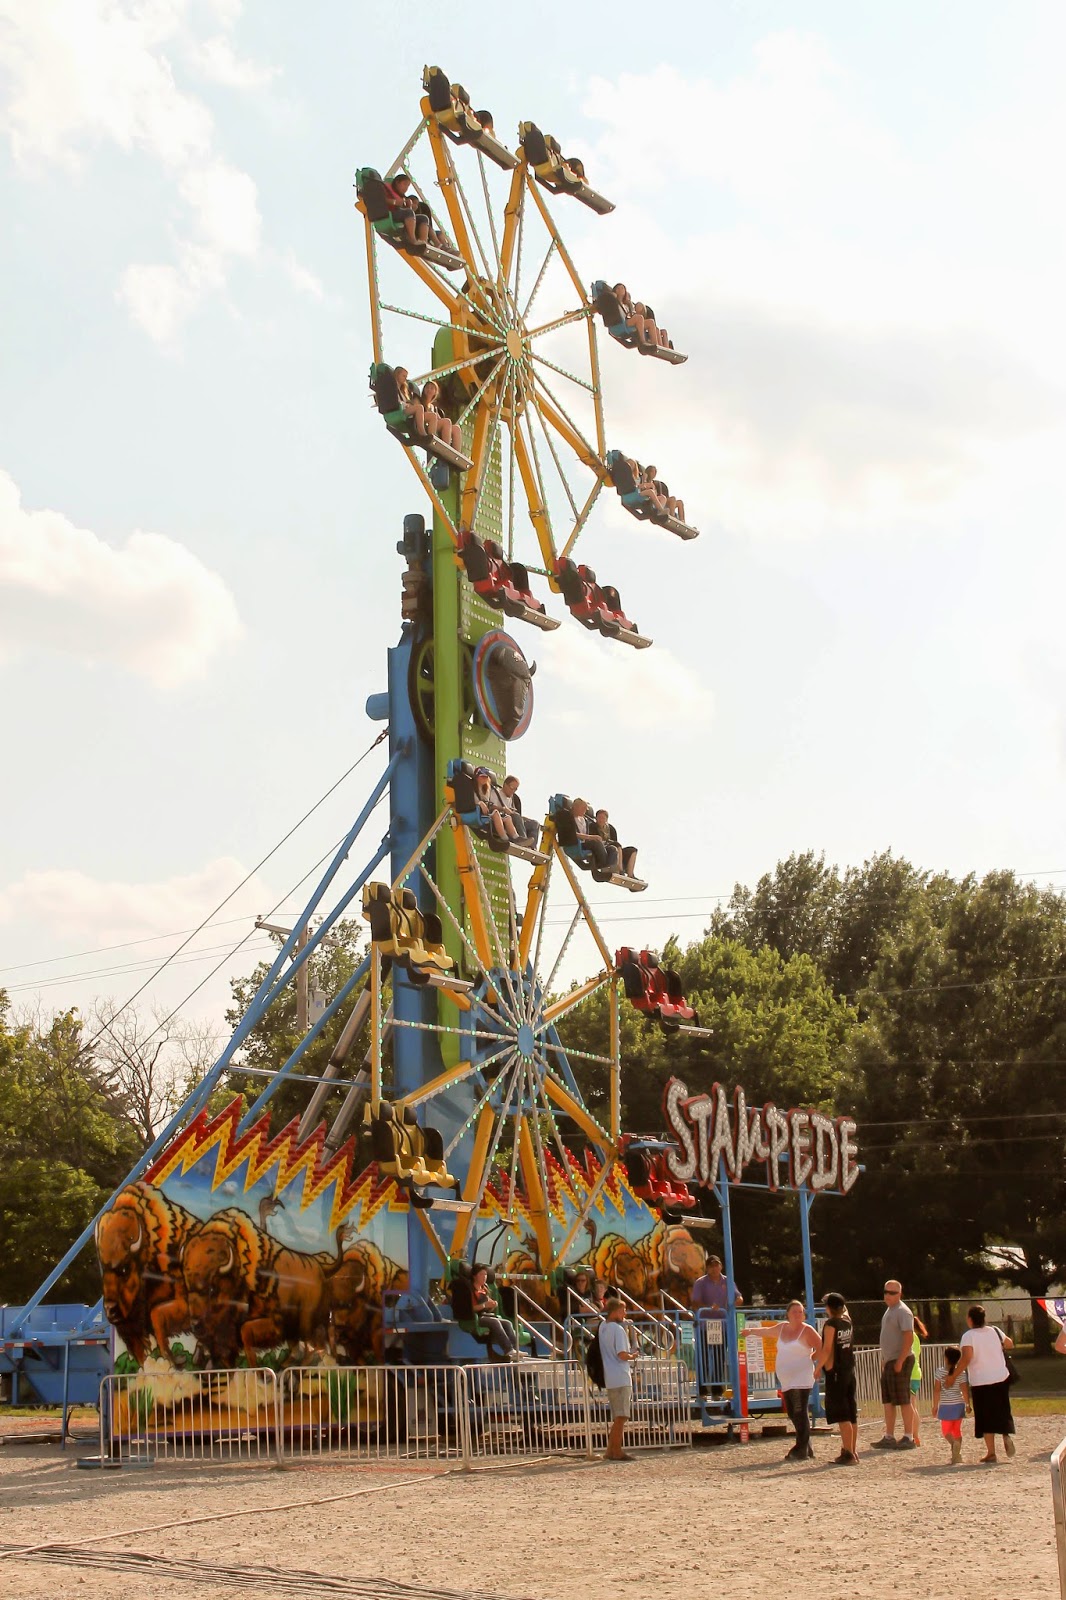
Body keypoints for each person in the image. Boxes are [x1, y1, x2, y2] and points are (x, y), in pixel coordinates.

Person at [942, 1304, 1016, 1463]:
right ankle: (1006, 1435)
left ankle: (991, 1452)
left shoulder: (969, 1336)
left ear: (970, 1320)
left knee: (985, 1415)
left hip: (981, 1380)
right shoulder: (995, 1331)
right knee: (1002, 1409)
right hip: (1001, 1377)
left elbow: (967, 1358)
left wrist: (954, 1375)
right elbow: (1010, 1343)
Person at [764, 1300, 821, 1462]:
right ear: (787, 1314)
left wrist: (814, 1361)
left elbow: (821, 1346)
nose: (798, 1314)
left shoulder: (807, 1330)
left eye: (800, 1311)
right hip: (787, 1379)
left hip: (801, 1377)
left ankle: (800, 1448)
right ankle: (806, 1444)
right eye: (794, 1311)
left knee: (799, 1409)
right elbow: (767, 1331)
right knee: (792, 1411)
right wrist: (751, 1331)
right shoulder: (782, 1328)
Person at [871, 1278, 917, 1449]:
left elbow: (908, 1336)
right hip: (890, 1360)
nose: (888, 1295)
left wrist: (900, 1360)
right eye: (886, 1292)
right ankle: (889, 1435)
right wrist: (887, 1359)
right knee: (888, 1400)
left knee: (903, 1399)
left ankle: (908, 1436)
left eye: (892, 1292)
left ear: (900, 1294)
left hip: (901, 1359)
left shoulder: (902, 1311)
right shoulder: (890, 1310)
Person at [814, 1291, 858, 1465]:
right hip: (848, 1370)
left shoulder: (831, 1324)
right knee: (851, 1413)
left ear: (829, 1308)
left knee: (842, 1415)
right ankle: (852, 1451)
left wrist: (818, 1368)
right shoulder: (847, 1321)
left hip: (836, 1373)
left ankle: (848, 1453)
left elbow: (827, 1349)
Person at [598, 1295, 637, 1461]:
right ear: (615, 1310)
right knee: (621, 1417)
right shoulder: (618, 1330)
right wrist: (633, 1355)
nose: (625, 1313)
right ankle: (616, 1450)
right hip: (621, 1376)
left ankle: (611, 1450)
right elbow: (621, 1354)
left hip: (610, 1375)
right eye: (623, 1309)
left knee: (617, 1416)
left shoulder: (602, 1327)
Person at [470, 1265, 520, 1361]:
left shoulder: (484, 1288)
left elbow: (488, 1304)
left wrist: (492, 1305)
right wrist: (484, 1305)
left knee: (507, 1323)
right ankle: (508, 1349)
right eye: (481, 1274)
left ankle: (515, 1349)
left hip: (487, 1315)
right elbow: (472, 1308)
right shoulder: (471, 1290)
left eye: (485, 1274)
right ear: (475, 1276)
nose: (484, 1277)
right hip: (476, 1317)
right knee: (495, 1322)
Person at [931, 1345, 970, 1465]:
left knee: (946, 1431)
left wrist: (935, 1406)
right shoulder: (961, 1373)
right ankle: (956, 1455)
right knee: (957, 1430)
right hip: (958, 1404)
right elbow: (964, 1390)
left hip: (946, 1405)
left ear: (946, 1358)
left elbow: (937, 1390)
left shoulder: (939, 1372)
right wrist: (968, 1404)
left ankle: (954, 1444)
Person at [570, 798, 621, 875]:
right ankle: (604, 865)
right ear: (576, 807)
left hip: (588, 843)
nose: (585, 811)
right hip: (578, 844)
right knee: (596, 843)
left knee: (612, 848)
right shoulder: (568, 818)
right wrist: (592, 837)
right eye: (583, 808)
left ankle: (610, 868)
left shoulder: (584, 820)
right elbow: (572, 833)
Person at [381, 173, 429, 252]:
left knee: (423, 218)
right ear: (397, 182)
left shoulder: (401, 195)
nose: (406, 188)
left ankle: (423, 242)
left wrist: (409, 205)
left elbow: (406, 210)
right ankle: (413, 240)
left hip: (400, 214)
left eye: (408, 186)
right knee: (408, 213)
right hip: (389, 214)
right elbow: (381, 199)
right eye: (405, 184)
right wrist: (394, 202)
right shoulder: (386, 188)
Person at [419, 379, 464, 452]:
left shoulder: (433, 407)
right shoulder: (420, 401)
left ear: (435, 392)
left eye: (432, 388)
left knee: (456, 428)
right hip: (425, 425)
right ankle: (446, 447)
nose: (429, 390)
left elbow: (439, 419)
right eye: (427, 387)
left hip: (434, 425)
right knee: (446, 422)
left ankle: (456, 452)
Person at [593, 808, 637, 878]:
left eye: (603, 818)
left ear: (606, 819)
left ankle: (630, 874)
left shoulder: (611, 829)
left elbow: (614, 841)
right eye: (599, 818)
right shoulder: (592, 826)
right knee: (617, 845)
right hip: (602, 848)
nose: (600, 820)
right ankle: (619, 869)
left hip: (613, 848)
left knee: (632, 850)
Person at [498, 775, 539, 841]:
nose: (513, 791)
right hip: (503, 821)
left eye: (515, 789)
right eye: (512, 787)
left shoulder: (513, 798)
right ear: (505, 785)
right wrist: (503, 809)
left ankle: (532, 847)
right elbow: (491, 807)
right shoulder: (497, 793)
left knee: (535, 824)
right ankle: (523, 840)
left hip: (515, 822)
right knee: (516, 816)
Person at [910, 1314, 929, 1447]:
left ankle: (915, 1435)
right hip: (916, 1373)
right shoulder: (915, 1337)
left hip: (910, 1374)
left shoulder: (908, 1337)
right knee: (913, 1405)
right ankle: (914, 1434)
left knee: (911, 1406)